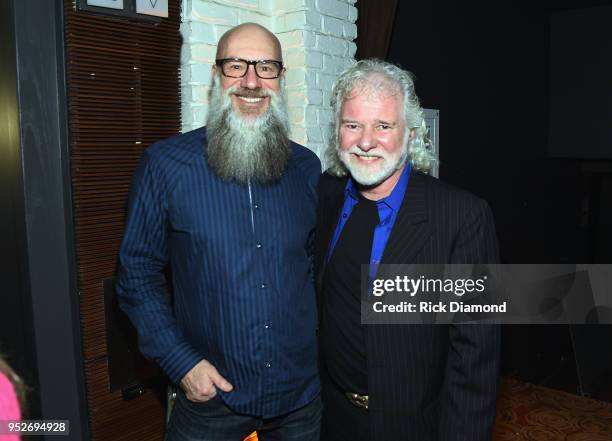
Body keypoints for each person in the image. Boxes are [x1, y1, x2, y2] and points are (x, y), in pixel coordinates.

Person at [116, 23, 321, 441]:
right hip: (211, 401)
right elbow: (136, 273)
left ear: (280, 79)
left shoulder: (307, 168)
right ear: (216, 76)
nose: (250, 81)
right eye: (235, 65)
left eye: (265, 67)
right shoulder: (165, 165)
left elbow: (314, 268)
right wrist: (181, 363)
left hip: (300, 398)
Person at [315, 59, 500, 441]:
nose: (366, 141)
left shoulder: (462, 217)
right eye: (352, 125)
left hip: (412, 427)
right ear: (338, 132)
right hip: (329, 420)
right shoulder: (325, 196)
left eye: (383, 126)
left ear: (412, 134)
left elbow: (475, 360)